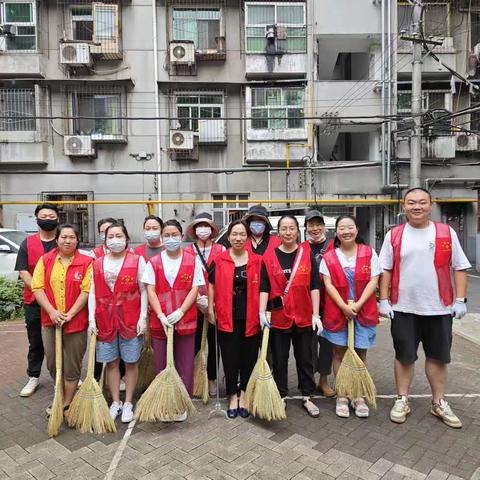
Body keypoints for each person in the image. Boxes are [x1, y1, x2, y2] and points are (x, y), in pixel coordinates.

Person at [379, 188, 470, 429]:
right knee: (404, 356)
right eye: (411, 203)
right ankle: (402, 399)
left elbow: (459, 267)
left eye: (421, 202)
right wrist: (384, 299)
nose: (416, 207)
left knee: (438, 357)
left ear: (430, 206)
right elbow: (385, 269)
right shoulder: (394, 235)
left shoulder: (445, 232)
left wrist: (461, 299)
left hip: (438, 308)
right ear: (403, 206)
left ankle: (439, 402)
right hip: (403, 308)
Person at [142, 219, 205, 421]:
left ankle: (181, 402)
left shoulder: (192, 260)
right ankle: (164, 402)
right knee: (161, 364)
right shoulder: (154, 262)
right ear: (162, 237)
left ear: (181, 236)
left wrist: (180, 311)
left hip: (185, 320)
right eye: (167, 235)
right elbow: (150, 290)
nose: (170, 239)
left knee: (185, 363)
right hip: (160, 322)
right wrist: (160, 314)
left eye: (174, 235)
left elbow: (195, 288)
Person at [259, 215, 321, 417]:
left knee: (305, 358)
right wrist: (262, 312)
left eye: (291, 228)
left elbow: (314, 285)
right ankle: (281, 395)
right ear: (278, 232)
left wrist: (316, 314)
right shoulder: (269, 257)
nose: (288, 232)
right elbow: (264, 287)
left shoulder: (306, 254)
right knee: (279, 358)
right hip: (279, 317)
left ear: (297, 231)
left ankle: (307, 396)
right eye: (284, 229)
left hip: (303, 316)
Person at [320, 215, 381, 419]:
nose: (346, 231)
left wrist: (357, 305)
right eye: (342, 228)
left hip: (363, 310)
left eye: (350, 227)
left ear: (357, 229)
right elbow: (328, 285)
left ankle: (358, 395)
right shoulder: (329, 257)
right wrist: (344, 307)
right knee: (339, 353)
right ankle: (343, 394)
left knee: (360, 354)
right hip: (338, 311)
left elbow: (374, 280)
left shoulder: (369, 253)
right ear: (336, 232)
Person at [88, 222, 147, 422]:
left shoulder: (137, 261)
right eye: (110, 236)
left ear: (126, 239)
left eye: (118, 236)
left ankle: (129, 402)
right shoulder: (97, 263)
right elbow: (93, 293)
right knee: (111, 363)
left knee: (130, 362)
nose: (115, 240)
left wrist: (143, 317)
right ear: (104, 241)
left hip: (130, 319)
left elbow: (144, 290)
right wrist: (91, 319)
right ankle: (116, 401)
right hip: (105, 320)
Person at [31, 224, 92, 414]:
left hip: (76, 322)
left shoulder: (86, 262)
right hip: (50, 321)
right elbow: (37, 287)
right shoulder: (46, 260)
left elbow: (86, 289)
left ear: (77, 240)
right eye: (63, 237)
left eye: (71, 237)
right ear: (56, 239)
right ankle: (60, 395)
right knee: (52, 362)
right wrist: (52, 311)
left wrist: (71, 314)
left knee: (72, 364)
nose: (67, 241)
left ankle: (66, 403)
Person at [208, 220, 261, 418]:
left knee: (248, 358)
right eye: (234, 234)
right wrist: (211, 309)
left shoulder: (257, 260)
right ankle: (232, 395)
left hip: (250, 317)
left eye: (242, 234)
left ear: (248, 237)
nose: (238, 238)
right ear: (229, 237)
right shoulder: (219, 260)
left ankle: (245, 395)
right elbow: (211, 284)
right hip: (226, 316)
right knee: (229, 358)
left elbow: (263, 288)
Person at [16, 203, 60, 397]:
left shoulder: (64, 240)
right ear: (37, 219)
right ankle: (33, 376)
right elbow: (23, 270)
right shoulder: (28, 243)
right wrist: (38, 289)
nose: (48, 219)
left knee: (63, 340)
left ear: (57, 219)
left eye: (52, 216)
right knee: (36, 341)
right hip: (33, 302)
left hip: (61, 301)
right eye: (44, 216)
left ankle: (65, 375)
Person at [185, 212, 224, 397]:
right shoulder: (187, 251)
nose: (203, 230)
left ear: (212, 229)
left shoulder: (221, 250)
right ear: (194, 230)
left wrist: (214, 303)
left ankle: (212, 378)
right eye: (199, 226)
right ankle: (193, 377)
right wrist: (198, 300)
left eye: (206, 226)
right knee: (193, 344)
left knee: (214, 343)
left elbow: (224, 278)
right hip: (194, 304)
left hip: (216, 304)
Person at [300, 210, 335, 398]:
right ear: (305, 228)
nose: (315, 228)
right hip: (307, 304)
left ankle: (324, 380)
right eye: (311, 225)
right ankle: (310, 379)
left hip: (330, 303)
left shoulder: (333, 245)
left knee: (327, 343)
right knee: (308, 345)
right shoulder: (301, 248)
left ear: (324, 226)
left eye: (318, 224)